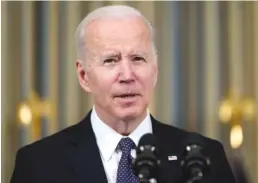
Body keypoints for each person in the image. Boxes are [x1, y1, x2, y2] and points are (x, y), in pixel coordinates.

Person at [10, 5, 236, 183]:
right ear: (83, 76)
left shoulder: (203, 158)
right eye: (111, 60)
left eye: (138, 59)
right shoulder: (39, 163)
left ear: (155, 71)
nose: (127, 75)